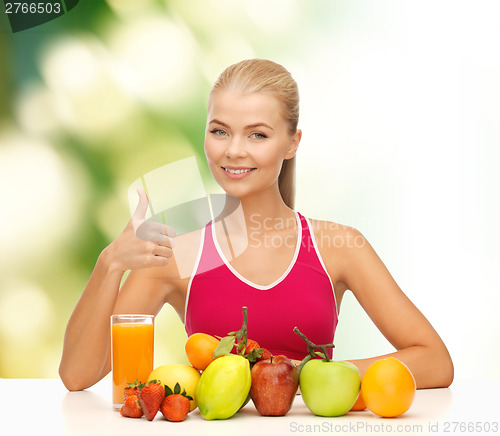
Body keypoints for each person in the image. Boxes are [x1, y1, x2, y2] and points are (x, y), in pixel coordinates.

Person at [59, 59, 454, 391]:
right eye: (219, 131)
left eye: (257, 135)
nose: (233, 150)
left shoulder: (340, 246)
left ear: (292, 142)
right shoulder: (176, 256)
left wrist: (305, 377)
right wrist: (109, 262)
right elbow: (78, 376)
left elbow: (435, 362)